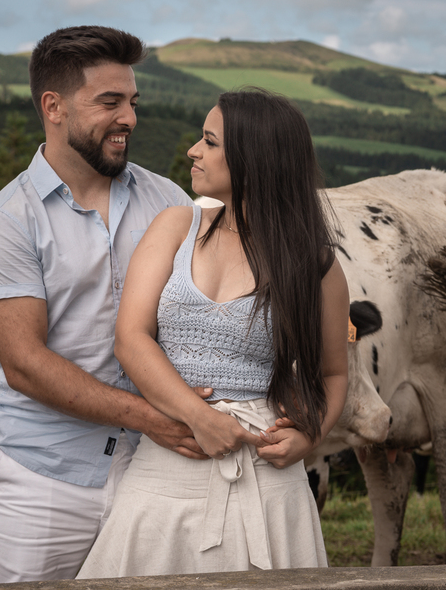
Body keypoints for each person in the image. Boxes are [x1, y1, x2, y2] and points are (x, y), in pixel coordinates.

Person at [76, 89, 349, 577]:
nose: (193, 151)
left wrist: (312, 437)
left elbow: (333, 373)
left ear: (254, 159)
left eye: (209, 141)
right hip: (168, 462)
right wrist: (195, 415)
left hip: (268, 477)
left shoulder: (316, 265)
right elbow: (131, 338)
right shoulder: (176, 226)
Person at [0, 26, 202, 584]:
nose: (130, 118)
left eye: (133, 102)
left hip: (154, 474)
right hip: (40, 485)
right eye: (110, 102)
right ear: (54, 107)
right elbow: (24, 365)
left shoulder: (170, 200)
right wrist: (158, 418)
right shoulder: (8, 221)